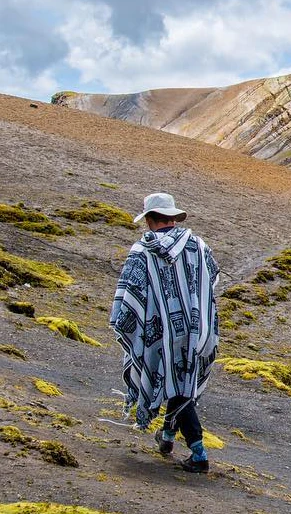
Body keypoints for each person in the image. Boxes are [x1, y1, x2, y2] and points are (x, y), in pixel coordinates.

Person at [109, 192, 220, 473]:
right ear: (172, 217)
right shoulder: (199, 245)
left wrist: (128, 323)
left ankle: (199, 453)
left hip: (159, 330)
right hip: (197, 329)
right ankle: (168, 437)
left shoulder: (143, 250)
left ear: (149, 220)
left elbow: (129, 294)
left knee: (177, 384)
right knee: (180, 380)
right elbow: (212, 279)